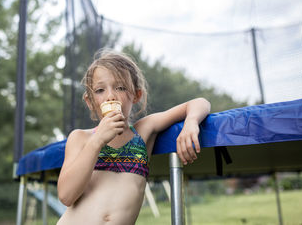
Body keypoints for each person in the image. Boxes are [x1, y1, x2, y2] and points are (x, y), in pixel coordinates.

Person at [57, 49, 211, 225]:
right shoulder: (81, 138)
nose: (110, 96)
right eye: (100, 90)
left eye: (120, 87)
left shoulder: (143, 132)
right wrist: (97, 140)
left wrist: (191, 122)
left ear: (136, 95)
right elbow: (66, 196)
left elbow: (200, 103)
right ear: (90, 101)